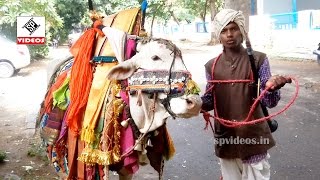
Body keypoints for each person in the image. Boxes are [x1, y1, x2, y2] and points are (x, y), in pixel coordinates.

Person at [201, 9, 292, 180]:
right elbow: (208, 101)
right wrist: (189, 102)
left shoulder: (258, 59)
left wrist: (272, 88)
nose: (229, 34)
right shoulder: (211, 66)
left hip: (254, 137)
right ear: (218, 35)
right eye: (224, 30)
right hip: (225, 137)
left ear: (242, 30)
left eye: (234, 28)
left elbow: (269, 102)